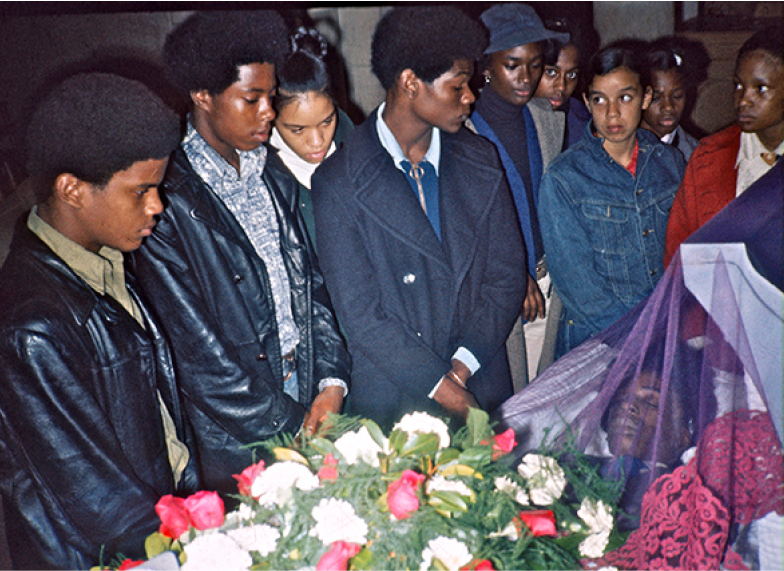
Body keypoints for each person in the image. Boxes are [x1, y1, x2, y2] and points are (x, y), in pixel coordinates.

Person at [496, 160, 783, 569]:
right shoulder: (558, 475)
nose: (629, 409)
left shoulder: (696, 500)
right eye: (623, 399)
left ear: (686, 431)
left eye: (650, 401)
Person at [132, 11, 350, 495]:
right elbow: (197, 355)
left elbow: (311, 287)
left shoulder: (271, 171)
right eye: (252, 99)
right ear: (202, 96)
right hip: (234, 432)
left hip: (307, 391)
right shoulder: (167, 199)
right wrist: (290, 423)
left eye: (270, 96)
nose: (269, 112)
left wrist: (331, 382)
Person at [0, 73, 199, 570]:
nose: (157, 206)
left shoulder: (104, 262)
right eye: (141, 191)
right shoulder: (31, 329)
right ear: (72, 189)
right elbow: (99, 503)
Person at [311, 6, 525, 429]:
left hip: (479, 381)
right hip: (393, 400)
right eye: (458, 85)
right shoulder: (338, 181)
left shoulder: (481, 159)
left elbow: (506, 276)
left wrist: (461, 370)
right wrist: (442, 388)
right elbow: (361, 315)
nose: (470, 97)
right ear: (411, 83)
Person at [538, 45, 686, 358]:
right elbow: (578, 284)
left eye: (625, 98)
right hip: (598, 342)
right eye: (599, 99)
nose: (612, 113)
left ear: (645, 98)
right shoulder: (564, 178)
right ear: (586, 102)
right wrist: (638, 342)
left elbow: (685, 254)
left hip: (665, 330)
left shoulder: (670, 164)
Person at [469, 3, 568, 387]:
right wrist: (512, 272)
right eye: (512, 65)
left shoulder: (545, 119)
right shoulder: (462, 130)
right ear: (486, 66)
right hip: (493, 292)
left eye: (536, 64)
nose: (526, 77)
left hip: (549, 283)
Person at [664, 27, 783, 266]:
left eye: (760, 89)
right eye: (738, 85)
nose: (743, 100)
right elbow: (678, 257)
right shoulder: (708, 159)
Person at [269, 27, 354, 253]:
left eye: (327, 121)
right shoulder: (260, 171)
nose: (317, 142)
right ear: (271, 117)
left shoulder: (356, 144)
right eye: (298, 130)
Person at [640, 37, 709, 162]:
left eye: (677, 96)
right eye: (655, 98)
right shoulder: (618, 147)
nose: (668, 107)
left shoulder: (697, 155)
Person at [534, 18, 596, 150]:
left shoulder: (585, 124)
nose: (561, 86)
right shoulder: (512, 116)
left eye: (571, 75)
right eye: (551, 72)